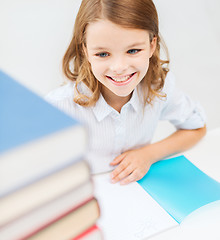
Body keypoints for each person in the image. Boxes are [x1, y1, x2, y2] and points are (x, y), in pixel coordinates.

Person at [46, 0, 206, 185]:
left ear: (152, 45)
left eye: (133, 50)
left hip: (140, 194)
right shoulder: (59, 106)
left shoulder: (158, 88)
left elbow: (196, 128)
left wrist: (149, 154)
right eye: (103, 54)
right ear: (85, 50)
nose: (119, 68)